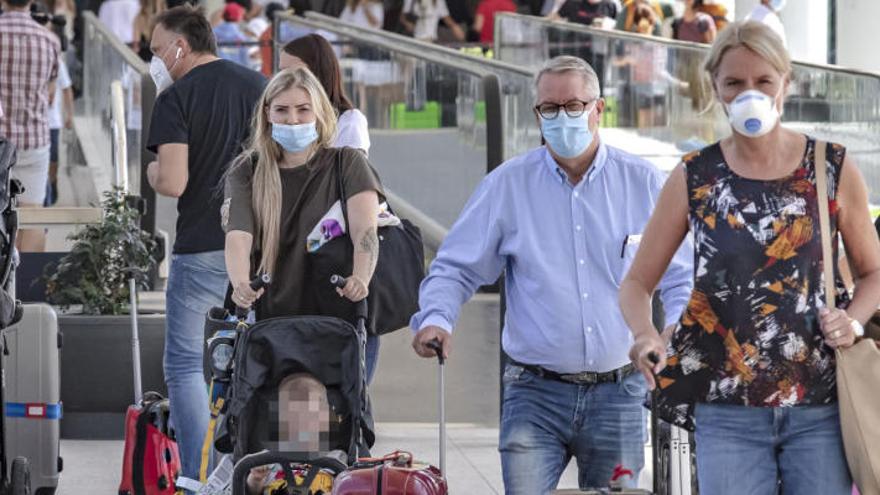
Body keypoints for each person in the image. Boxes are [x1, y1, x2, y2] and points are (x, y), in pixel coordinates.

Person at [410, 55, 693, 493]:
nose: (563, 118)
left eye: (575, 106)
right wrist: (436, 318)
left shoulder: (643, 183)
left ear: (599, 110)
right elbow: (455, 267)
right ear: (537, 114)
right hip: (534, 393)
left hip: (619, 392)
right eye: (550, 109)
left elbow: (681, 275)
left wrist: (675, 328)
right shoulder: (508, 186)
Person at [620, 21, 880, 495]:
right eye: (734, 82)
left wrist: (854, 321)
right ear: (715, 88)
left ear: (786, 82)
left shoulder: (830, 166)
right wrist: (643, 336)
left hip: (819, 405)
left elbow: (874, 272)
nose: (749, 93)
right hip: (725, 409)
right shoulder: (695, 174)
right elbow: (637, 282)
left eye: (763, 81)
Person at [145, 5, 265, 490]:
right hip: (257, 253)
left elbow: (173, 181)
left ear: (182, 45)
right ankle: (249, 470)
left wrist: (152, 172)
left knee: (186, 365)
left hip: (200, 249)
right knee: (253, 361)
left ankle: (199, 477)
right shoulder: (261, 87)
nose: (154, 59)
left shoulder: (176, 98)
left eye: (157, 50)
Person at [222, 68, 385, 381]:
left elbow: (366, 232)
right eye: (281, 110)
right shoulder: (248, 170)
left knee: (334, 415)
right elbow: (239, 235)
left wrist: (361, 278)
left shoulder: (348, 164)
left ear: (320, 113)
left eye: (302, 109)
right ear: (267, 115)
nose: (293, 120)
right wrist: (241, 282)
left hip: (337, 314)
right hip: (270, 317)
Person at [0, 0, 60, 252]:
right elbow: (50, 95)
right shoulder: (49, 40)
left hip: (0, 140)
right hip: (34, 139)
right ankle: (26, 285)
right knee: (33, 214)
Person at [245, 374, 344, 495]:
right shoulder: (267, 460)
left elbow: (348, 488)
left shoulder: (335, 459)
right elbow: (252, 492)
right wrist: (256, 479)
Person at [280, 34, 370, 155]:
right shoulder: (279, 119)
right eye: (281, 73)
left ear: (318, 72)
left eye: (294, 72)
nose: (283, 80)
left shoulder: (349, 122)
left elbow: (352, 171)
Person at [45, 54, 73, 206]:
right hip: (36, 122)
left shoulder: (58, 63)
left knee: (53, 161)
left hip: (53, 123)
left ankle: (52, 182)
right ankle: (46, 197)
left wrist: (70, 115)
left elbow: (67, 89)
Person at [399, 0, 464, 42]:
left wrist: (455, 27)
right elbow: (402, 18)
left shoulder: (438, 2)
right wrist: (407, 24)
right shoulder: (410, 1)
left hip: (429, 39)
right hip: (412, 39)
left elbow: (446, 18)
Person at [213, 2, 253, 68]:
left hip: (217, 69)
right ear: (239, 17)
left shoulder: (213, 33)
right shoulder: (241, 37)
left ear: (223, 15)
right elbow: (245, 60)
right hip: (236, 71)